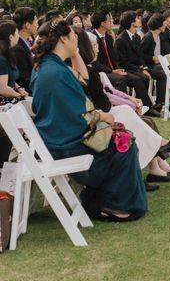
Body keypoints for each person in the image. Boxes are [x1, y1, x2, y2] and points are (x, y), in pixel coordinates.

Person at [31, 20, 147, 222]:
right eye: (73, 36)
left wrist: (74, 52)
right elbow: (77, 115)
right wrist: (104, 116)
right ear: (63, 38)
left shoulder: (49, 66)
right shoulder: (55, 72)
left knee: (122, 138)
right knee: (124, 145)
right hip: (67, 143)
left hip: (59, 136)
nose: (77, 38)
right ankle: (113, 205)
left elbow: (82, 80)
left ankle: (103, 199)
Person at [74, 27, 170, 191]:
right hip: (97, 120)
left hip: (101, 113)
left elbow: (109, 94)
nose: (97, 49)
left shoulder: (91, 70)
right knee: (135, 118)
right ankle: (154, 158)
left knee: (146, 121)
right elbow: (104, 102)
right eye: (93, 46)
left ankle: (158, 167)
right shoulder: (89, 71)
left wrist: (129, 100)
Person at [91, 10, 161, 117]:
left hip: (115, 69)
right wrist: (113, 71)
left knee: (143, 77)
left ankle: (142, 106)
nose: (112, 22)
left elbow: (115, 59)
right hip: (101, 72)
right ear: (102, 23)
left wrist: (120, 69)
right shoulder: (92, 38)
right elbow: (95, 62)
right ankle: (130, 108)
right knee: (125, 79)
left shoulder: (108, 38)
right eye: (110, 20)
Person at [115, 10, 166, 110]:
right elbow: (124, 62)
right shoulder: (121, 39)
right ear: (132, 22)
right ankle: (147, 107)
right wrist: (141, 69)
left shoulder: (137, 37)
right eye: (137, 18)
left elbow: (140, 56)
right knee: (141, 78)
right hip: (128, 69)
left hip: (138, 67)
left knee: (162, 75)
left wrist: (144, 67)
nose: (140, 19)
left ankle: (160, 103)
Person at [11, 7, 38, 94]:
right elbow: (23, 77)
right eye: (35, 21)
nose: (37, 25)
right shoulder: (17, 47)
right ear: (27, 25)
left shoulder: (28, 42)